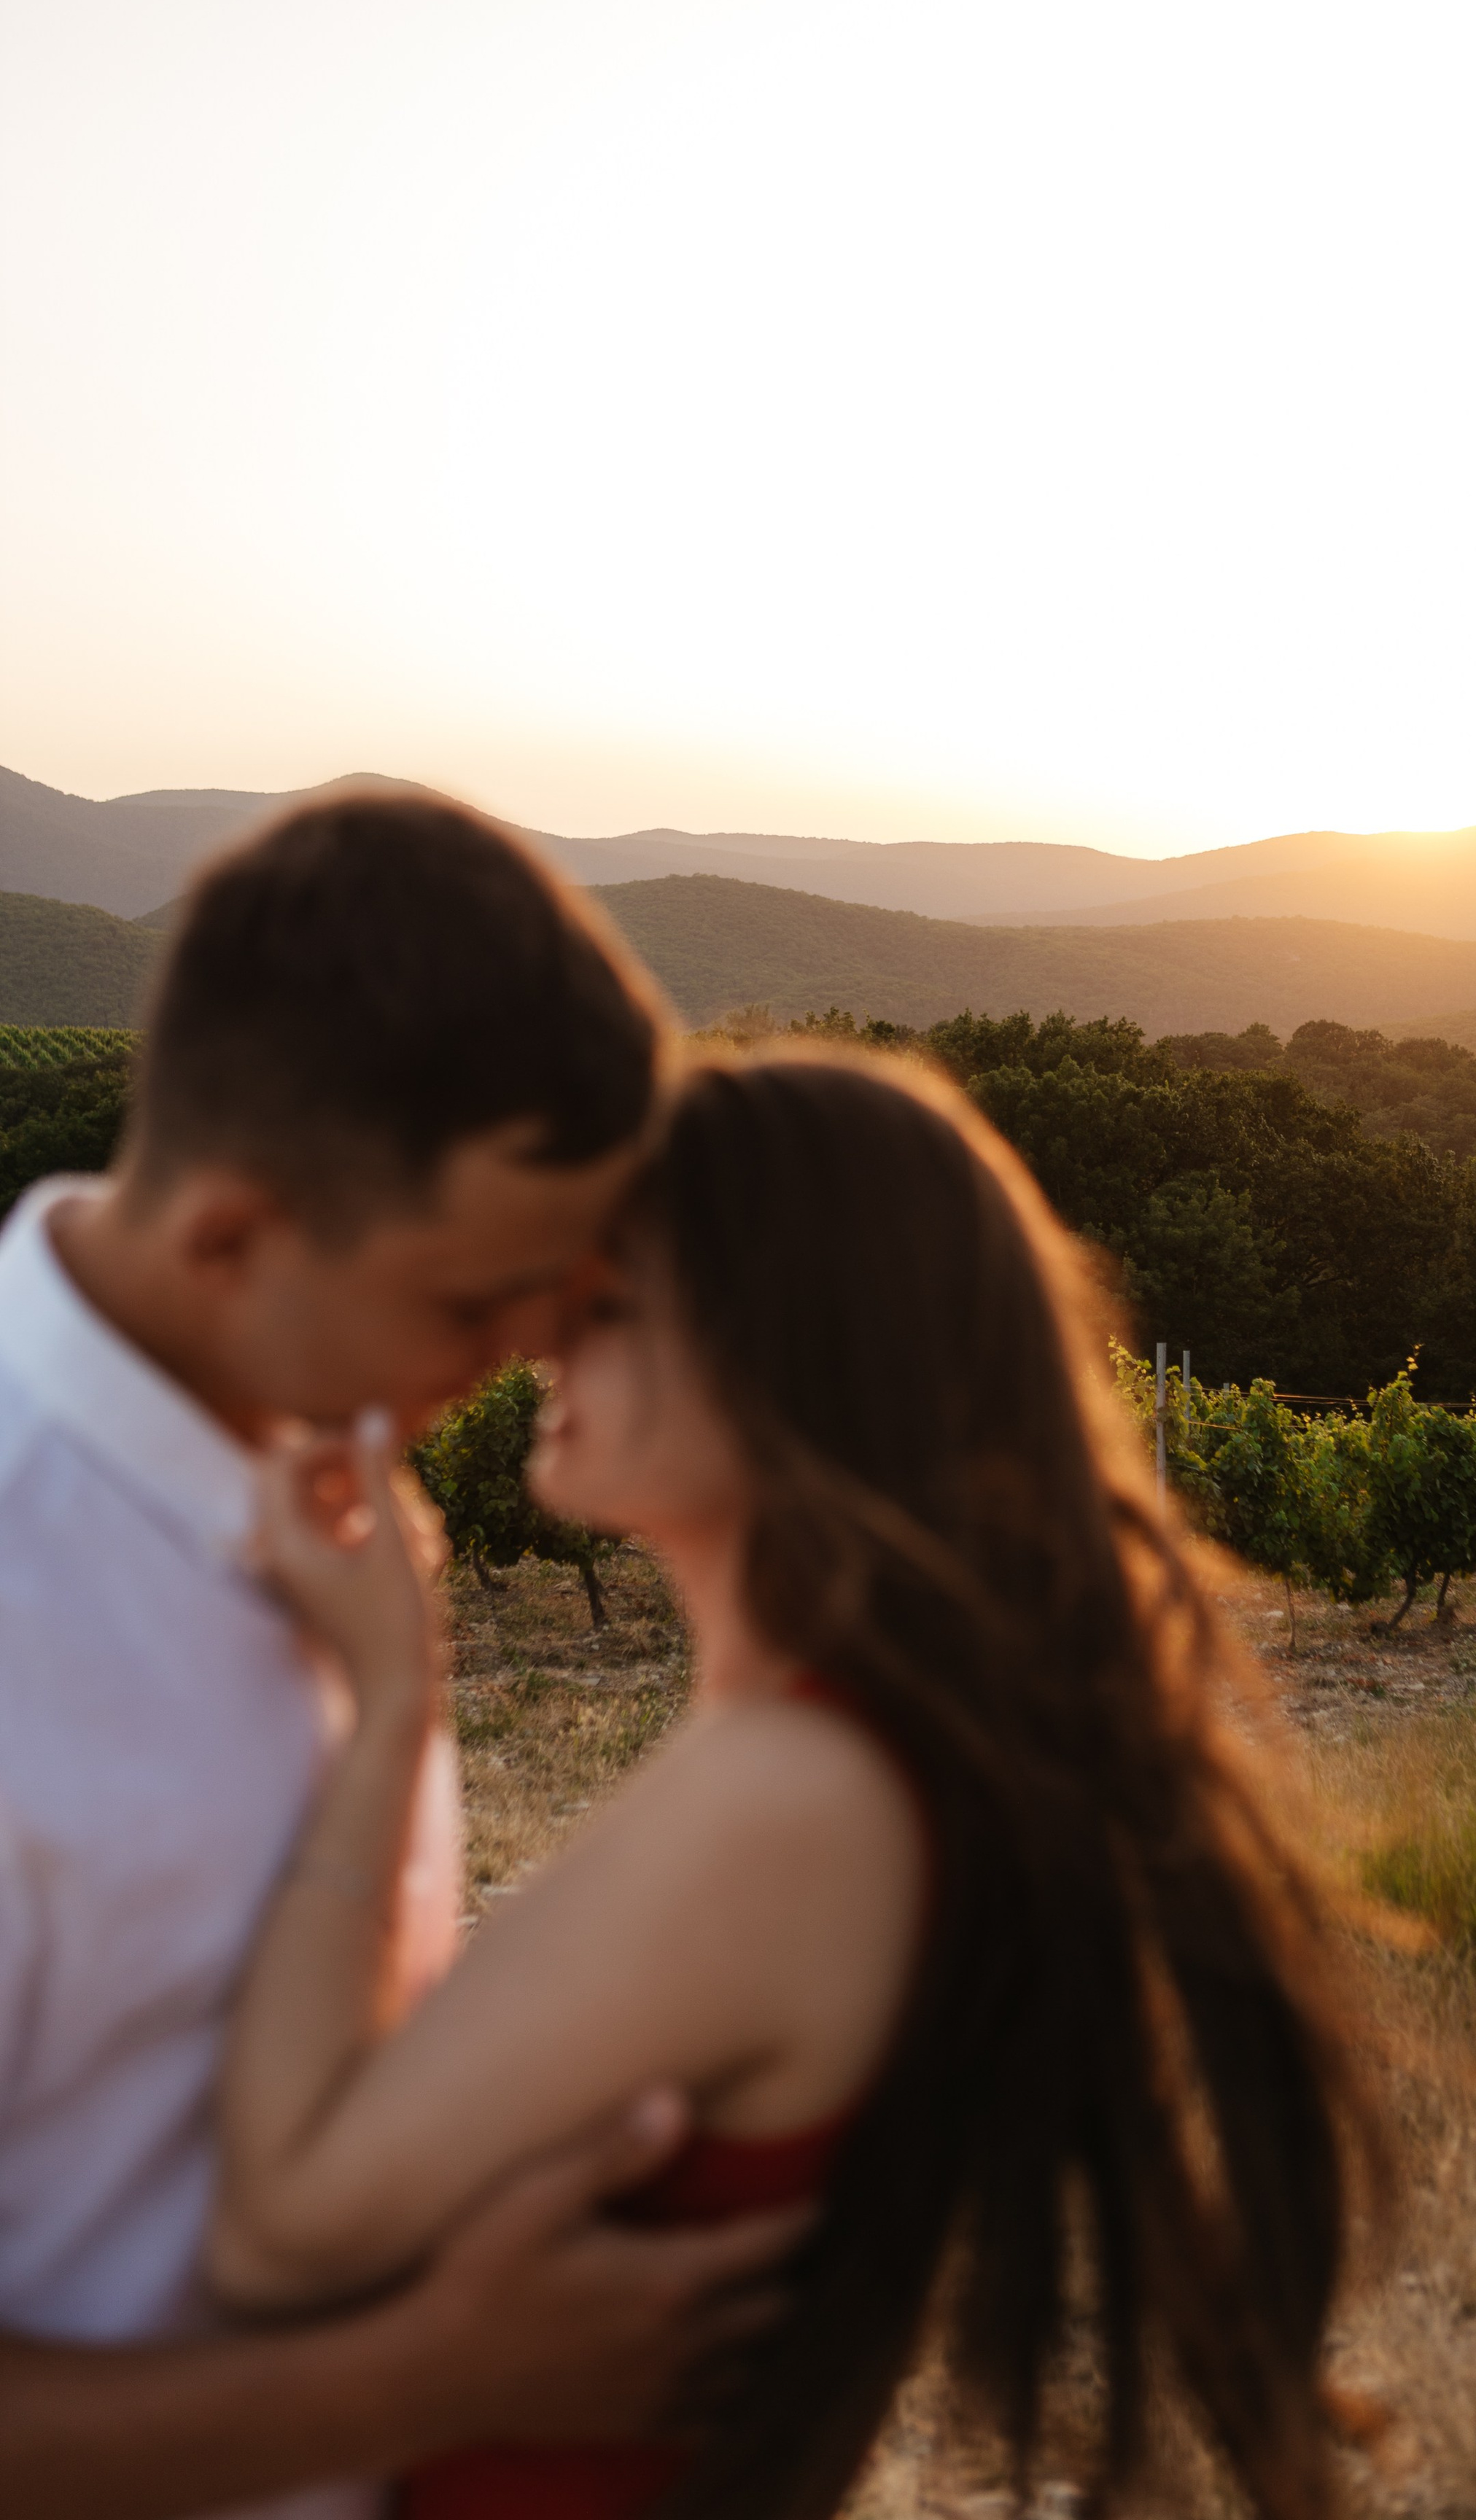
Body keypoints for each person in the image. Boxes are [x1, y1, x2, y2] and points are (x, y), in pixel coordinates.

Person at [212, 1046, 1391, 2520]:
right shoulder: (855, 1757)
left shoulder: (792, 1797)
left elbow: (285, 2227)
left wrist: (389, 1703)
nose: (545, 1346)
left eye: (613, 1305)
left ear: (789, 1353)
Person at [0, 790, 806, 2520]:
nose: (530, 1355)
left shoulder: (318, 1476)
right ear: (229, 1232)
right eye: (474, 1302)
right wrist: (428, 2377)